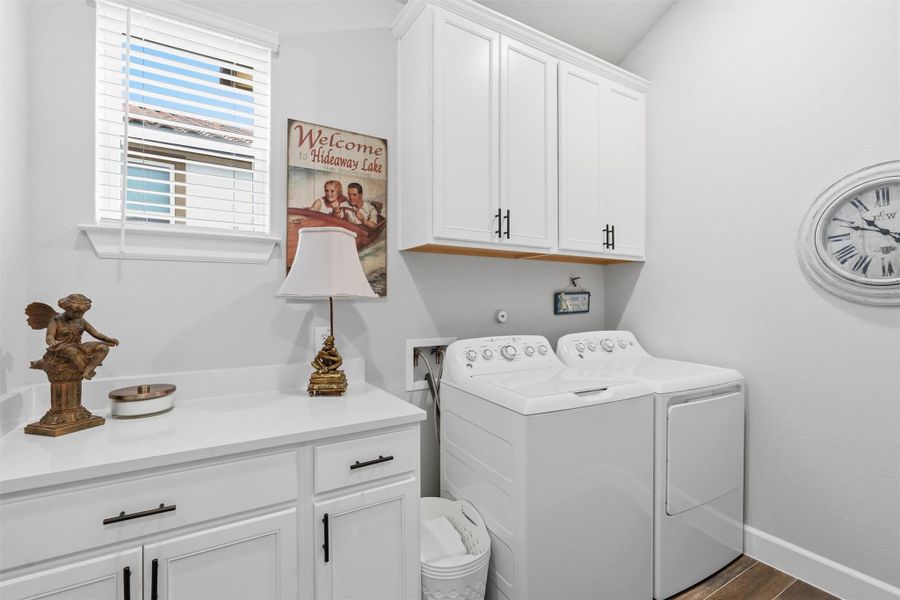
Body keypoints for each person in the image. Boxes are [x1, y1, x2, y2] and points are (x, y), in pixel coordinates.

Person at [45, 294, 119, 380]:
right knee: (72, 351)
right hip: (61, 348)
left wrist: (109, 339)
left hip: (79, 346)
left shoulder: (81, 321)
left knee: (103, 348)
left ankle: (89, 369)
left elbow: (95, 333)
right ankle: (83, 369)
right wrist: (52, 341)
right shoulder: (56, 320)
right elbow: (49, 336)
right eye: (75, 312)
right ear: (67, 308)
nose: (79, 315)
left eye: (82, 313)